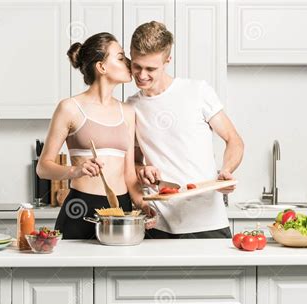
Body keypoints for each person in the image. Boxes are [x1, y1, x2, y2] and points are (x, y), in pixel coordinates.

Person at [126, 22, 244, 239]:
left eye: (151, 68)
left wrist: (226, 172)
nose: (141, 75)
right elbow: (133, 161)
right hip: (159, 224)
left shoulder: (197, 91)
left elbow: (233, 139)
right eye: (136, 66)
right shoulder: (131, 106)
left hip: (207, 220)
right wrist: (142, 170)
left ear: (167, 61)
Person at [37, 32, 155, 239]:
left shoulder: (127, 111)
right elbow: (43, 168)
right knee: (76, 272)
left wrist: (142, 205)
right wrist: (76, 170)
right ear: (101, 67)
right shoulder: (70, 108)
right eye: (120, 57)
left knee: (116, 272)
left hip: (122, 209)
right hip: (80, 207)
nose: (129, 62)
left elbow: (128, 174)